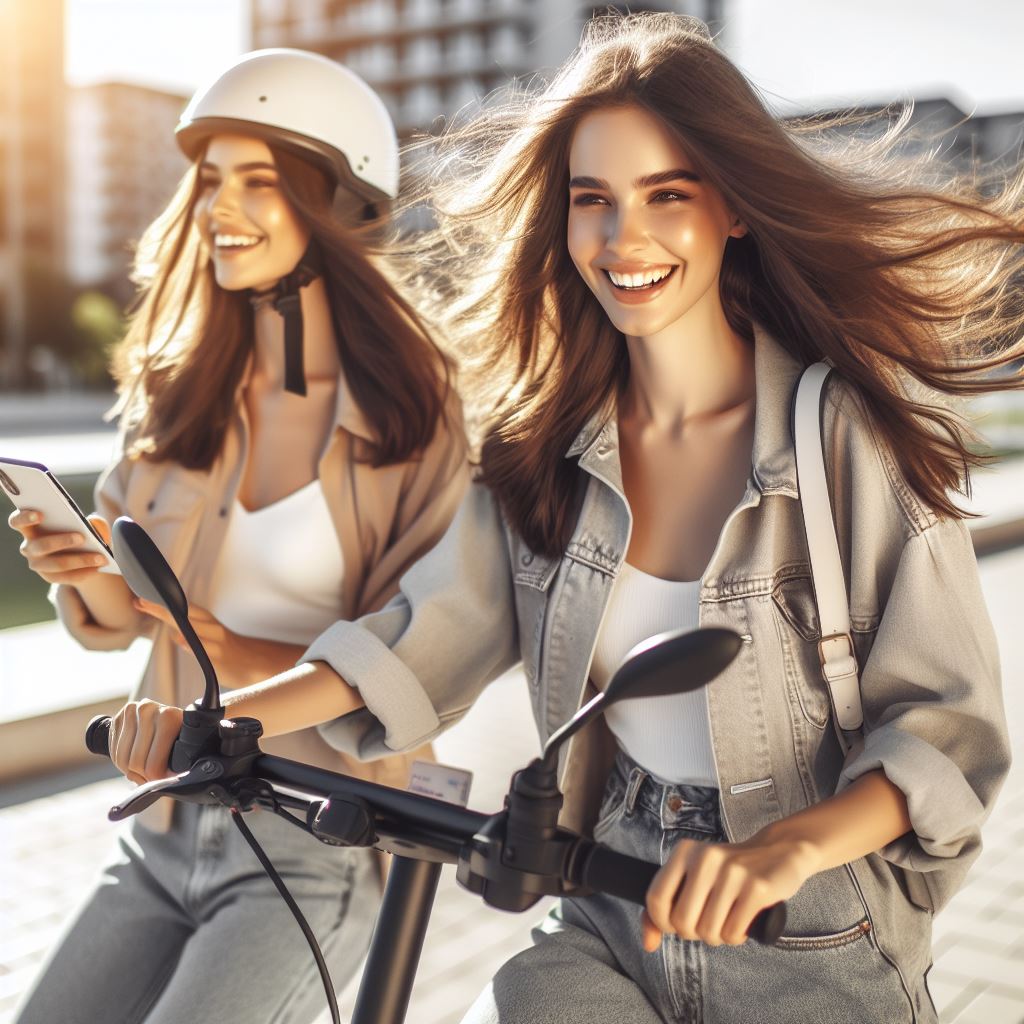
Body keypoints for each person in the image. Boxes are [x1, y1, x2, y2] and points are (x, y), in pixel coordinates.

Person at [99, 15, 1023, 1024]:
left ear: (734, 210)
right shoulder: (542, 449)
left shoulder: (840, 431)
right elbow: (421, 637)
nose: (624, 239)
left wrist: (783, 850)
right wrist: (223, 723)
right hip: (607, 896)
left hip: (806, 926)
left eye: (666, 195)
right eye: (593, 201)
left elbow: (945, 725)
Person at [9, 49, 467, 1024]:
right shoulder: (185, 394)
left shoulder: (420, 422)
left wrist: (237, 656)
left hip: (312, 840)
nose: (221, 204)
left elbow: (427, 658)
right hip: (166, 823)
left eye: (260, 180)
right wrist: (81, 571)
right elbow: (135, 620)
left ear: (341, 206)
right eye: (211, 178)